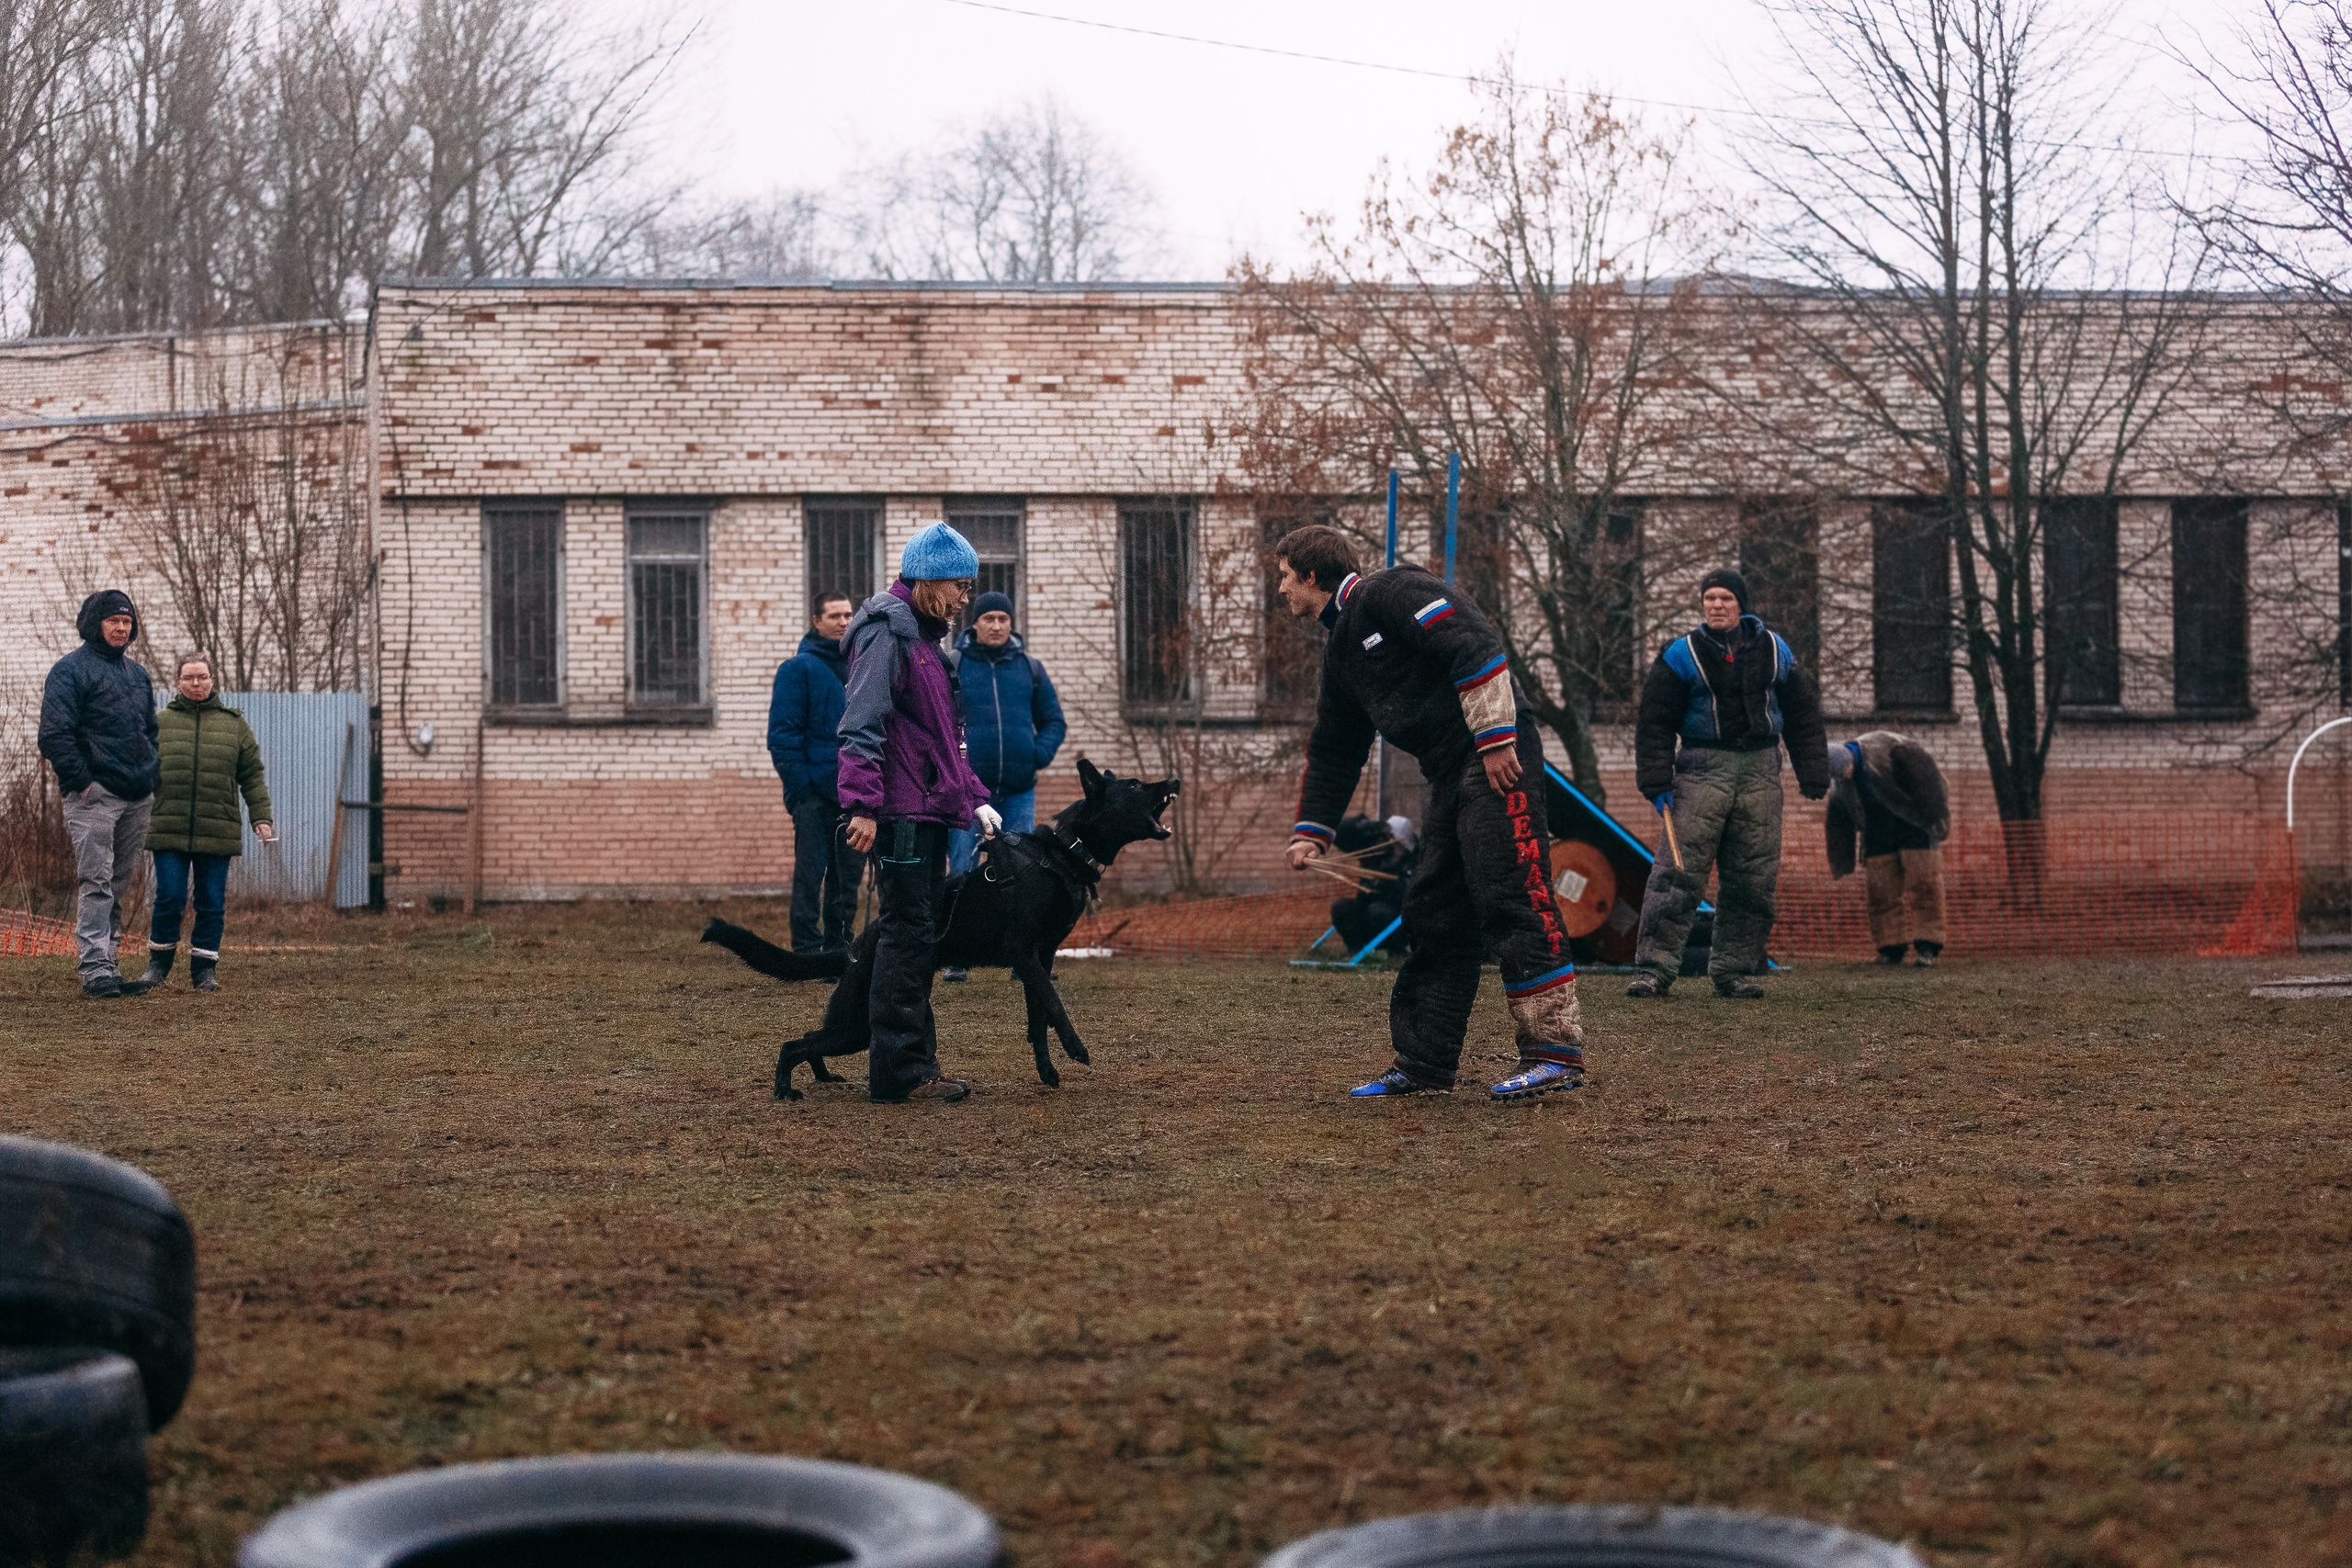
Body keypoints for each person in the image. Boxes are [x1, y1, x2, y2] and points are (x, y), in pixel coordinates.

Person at [1275, 525, 1589, 1101]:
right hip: (1448, 770)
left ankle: (1554, 1054)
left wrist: (1496, 739)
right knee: (1434, 909)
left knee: (1511, 892)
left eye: (1285, 576)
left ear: (1312, 575)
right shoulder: (1341, 652)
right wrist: (1312, 832)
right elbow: (1336, 749)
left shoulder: (1388, 591)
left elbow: (1473, 643)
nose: (1281, 589)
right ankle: (1424, 1064)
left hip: (1497, 755)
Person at [837, 524, 999, 1105]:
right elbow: (862, 723)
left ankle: (913, 1065)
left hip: (925, 811)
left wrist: (974, 796)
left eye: (968, 587)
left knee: (918, 934)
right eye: (959, 586)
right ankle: (901, 1072)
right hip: (901, 815)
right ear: (929, 581)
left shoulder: (926, 641)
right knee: (908, 937)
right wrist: (861, 805)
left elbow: (942, 741)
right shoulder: (888, 633)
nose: (964, 599)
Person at [1626, 568, 1829, 999]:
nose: (1716, 605)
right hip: (1701, 770)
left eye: (1725, 598)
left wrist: (1813, 772)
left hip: (1761, 771)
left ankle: (1733, 972)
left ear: (1741, 605)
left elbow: (1803, 714)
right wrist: (1656, 781)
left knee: (1753, 878)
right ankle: (1653, 970)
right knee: (1677, 874)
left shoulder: (1776, 650)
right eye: (1710, 598)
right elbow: (1655, 722)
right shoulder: (1680, 655)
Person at [38, 590, 162, 998]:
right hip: (94, 796)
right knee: (96, 881)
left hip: (136, 797)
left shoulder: (138, 675)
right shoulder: (69, 671)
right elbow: (54, 734)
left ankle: (109, 964)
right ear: (96, 624)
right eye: (114, 621)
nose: (122, 628)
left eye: (127, 622)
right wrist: (84, 783)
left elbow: (149, 732)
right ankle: (95, 971)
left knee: (118, 883)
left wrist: (151, 776)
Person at [138, 654, 275, 992]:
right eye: (188, 677)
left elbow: (252, 776)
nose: (196, 683)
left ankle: (204, 971)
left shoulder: (234, 725)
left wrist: (261, 817)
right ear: (178, 682)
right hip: (168, 826)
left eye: (202, 677)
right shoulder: (160, 723)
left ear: (213, 680)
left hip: (218, 827)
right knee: (169, 896)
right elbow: (137, 769)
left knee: (211, 901)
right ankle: (158, 966)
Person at [769, 590, 865, 953]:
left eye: (848, 615)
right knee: (810, 874)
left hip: (855, 793)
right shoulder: (798, 669)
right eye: (834, 616)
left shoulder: (860, 667)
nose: (844, 622)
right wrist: (803, 789)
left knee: (848, 878)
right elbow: (783, 736)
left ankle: (838, 948)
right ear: (816, 621)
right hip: (813, 795)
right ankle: (807, 950)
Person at [945, 591, 1066, 876]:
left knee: (1019, 873)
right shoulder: (955, 665)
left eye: (1003, 619)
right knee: (962, 873)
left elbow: (1053, 721)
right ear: (975, 623)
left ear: (1011, 623)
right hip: (967, 794)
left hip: (1018, 793)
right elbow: (940, 723)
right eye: (989, 619)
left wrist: (1034, 756)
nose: (997, 626)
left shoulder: (1029, 668)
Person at [1826, 732, 1951, 966]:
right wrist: (1842, 860)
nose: (1844, 778)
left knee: (1925, 885)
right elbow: (1838, 821)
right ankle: (1891, 949)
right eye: (1838, 776)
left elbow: (1931, 784)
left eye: (1844, 772)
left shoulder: (1887, 750)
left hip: (1914, 823)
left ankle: (1927, 947)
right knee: (1881, 891)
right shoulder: (1840, 783)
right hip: (1877, 830)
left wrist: (1936, 823)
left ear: (1849, 760)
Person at [1327, 813, 1416, 958]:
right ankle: (1355, 951)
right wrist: (1370, 827)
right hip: (1368, 919)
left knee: (1377, 911)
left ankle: (1397, 953)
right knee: (1342, 907)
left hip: (1395, 923)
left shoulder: (1413, 864)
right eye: (1393, 844)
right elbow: (1340, 832)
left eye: (1401, 846)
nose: (1398, 851)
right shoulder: (1373, 855)